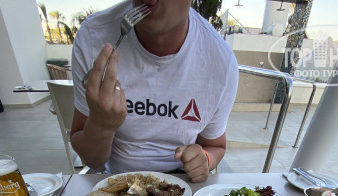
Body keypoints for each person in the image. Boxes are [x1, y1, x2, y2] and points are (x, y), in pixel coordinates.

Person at [70, 0, 239, 183]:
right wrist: (101, 126)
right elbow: (91, 160)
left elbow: (216, 146)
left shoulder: (220, 61)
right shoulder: (93, 37)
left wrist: (204, 158)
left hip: (181, 183)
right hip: (116, 180)